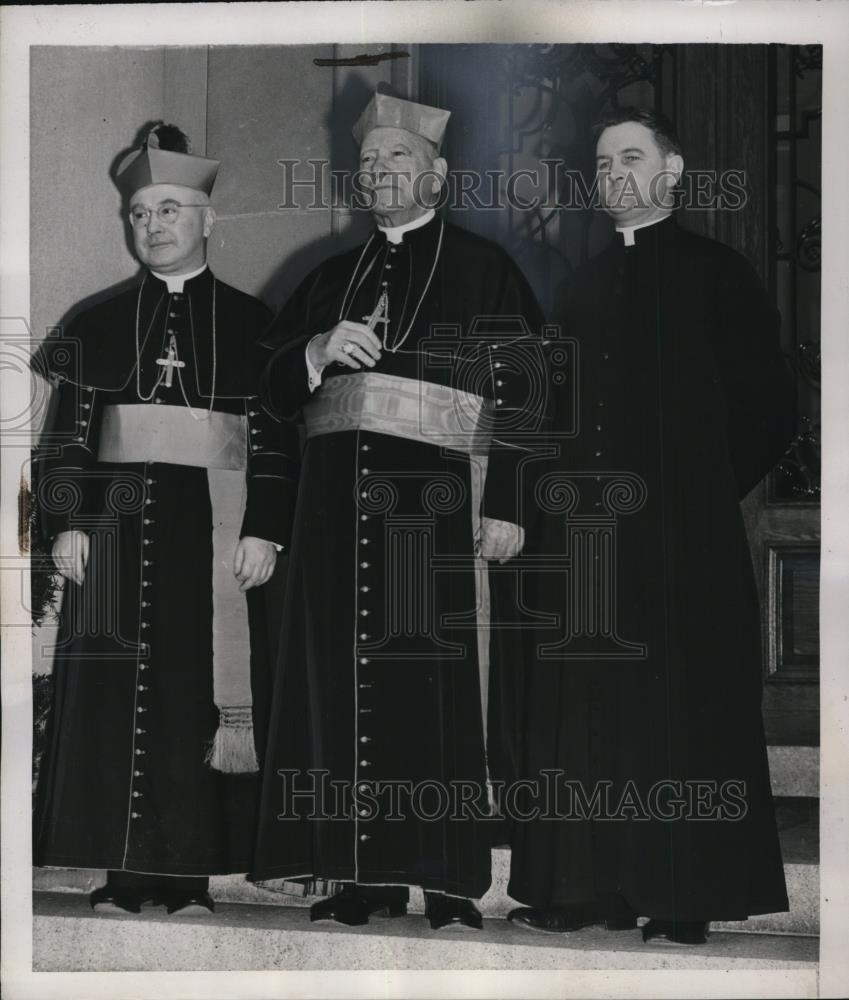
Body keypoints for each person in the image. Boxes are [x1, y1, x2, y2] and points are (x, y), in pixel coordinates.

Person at [251, 92, 548, 930]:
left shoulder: (486, 267)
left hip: (434, 509)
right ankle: (359, 875)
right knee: (342, 688)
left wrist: (508, 503)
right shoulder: (323, 276)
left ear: (438, 175)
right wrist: (310, 352)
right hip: (332, 519)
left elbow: (531, 393)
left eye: (398, 160)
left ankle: (448, 880)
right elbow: (264, 391)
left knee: (432, 690)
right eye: (371, 161)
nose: (380, 173)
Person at [504, 108, 796, 944]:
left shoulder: (718, 272)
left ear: (671, 173)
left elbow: (771, 407)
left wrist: (696, 493)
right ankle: (587, 887)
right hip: (585, 542)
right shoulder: (579, 284)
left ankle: (681, 896)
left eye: (630, 157)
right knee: (587, 713)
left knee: (680, 716)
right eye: (600, 163)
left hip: (681, 542)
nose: (611, 174)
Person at [33, 123, 299, 916]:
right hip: (111, 536)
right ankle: (121, 871)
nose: (153, 225)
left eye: (171, 209)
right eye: (141, 213)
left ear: (207, 220)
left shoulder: (260, 326)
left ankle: (189, 875)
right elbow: (62, 442)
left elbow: (279, 443)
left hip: (209, 533)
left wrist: (265, 528)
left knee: (195, 692)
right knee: (117, 695)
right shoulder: (96, 319)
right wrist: (67, 522)